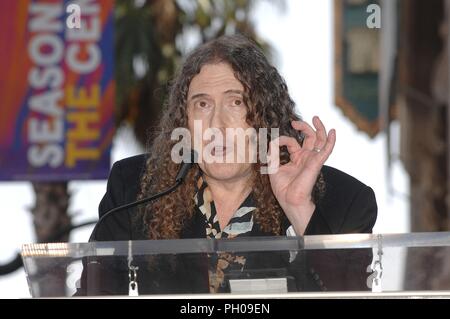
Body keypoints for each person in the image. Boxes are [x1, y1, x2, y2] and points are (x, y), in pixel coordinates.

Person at [80, 34, 377, 295]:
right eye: (202, 104)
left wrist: (299, 208)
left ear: (264, 117)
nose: (216, 124)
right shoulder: (134, 188)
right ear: (184, 122)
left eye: (236, 102)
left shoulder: (344, 201)